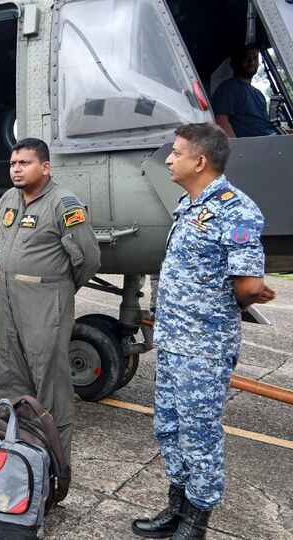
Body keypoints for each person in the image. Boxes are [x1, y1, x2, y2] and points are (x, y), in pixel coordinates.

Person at [132, 123, 275, 540]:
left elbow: (248, 284)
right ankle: (176, 506)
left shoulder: (237, 210)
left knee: (199, 434)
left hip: (204, 347)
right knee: (169, 427)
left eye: (176, 153)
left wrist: (248, 292)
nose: (170, 159)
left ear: (200, 161)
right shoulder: (189, 205)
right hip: (175, 341)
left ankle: (197, 520)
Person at [0, 137, 100, 469]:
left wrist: (57, 290)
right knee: (9, 376)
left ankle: (54, 469)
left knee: (49, 388)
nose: (17, 169)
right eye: (13, 163)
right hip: (9, 302)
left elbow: (89, 259)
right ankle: (16, 460)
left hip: (44, 304)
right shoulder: (8, 200)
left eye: (25, 163)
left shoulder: (63, 204)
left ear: (45, 167)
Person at [211, 46, 274, 138]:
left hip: (268, 141)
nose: (251, 62)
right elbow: (221, 120)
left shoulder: (259, 94)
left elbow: (265, 127)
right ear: (234, 62)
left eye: (255, 58)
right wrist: (236, 148)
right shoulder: (228, 88)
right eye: (246, 58)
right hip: (251, 147)